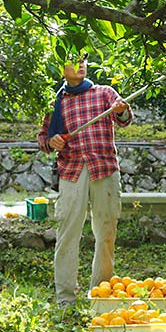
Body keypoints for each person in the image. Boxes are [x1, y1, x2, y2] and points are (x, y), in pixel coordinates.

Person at [37, 52, 133, 308]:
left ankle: (100, 294)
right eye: (73, 60)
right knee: (67, 233)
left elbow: (123, 119)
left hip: (104, 169)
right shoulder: (55, 102)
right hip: (71, 171)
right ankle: (65, 299)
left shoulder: (104, 93)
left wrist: (121, 110)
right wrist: (51, 141)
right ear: (61, 69)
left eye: (83, 60)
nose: (80, 65)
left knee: (106, 232)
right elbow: (44, 138)